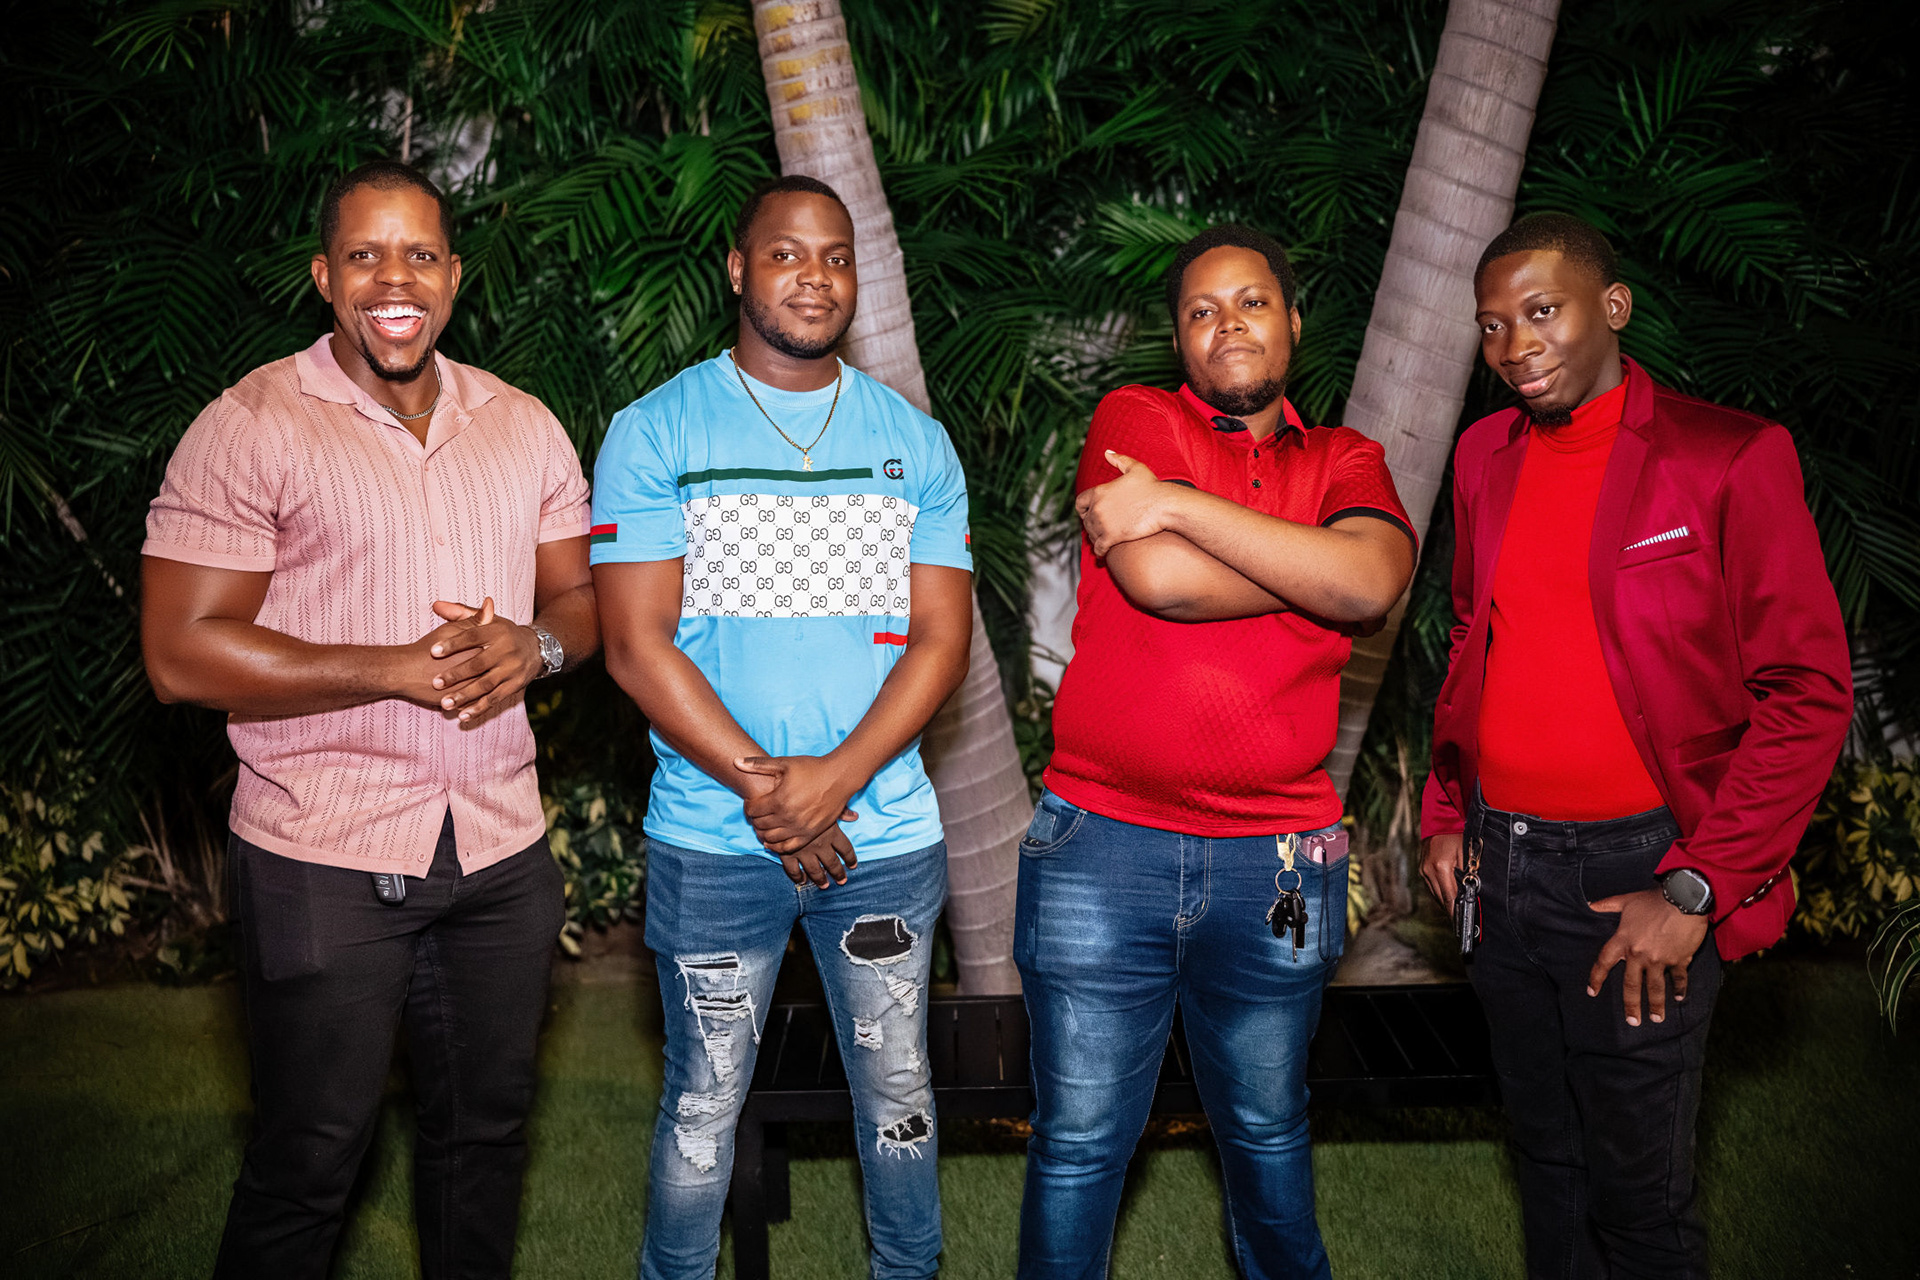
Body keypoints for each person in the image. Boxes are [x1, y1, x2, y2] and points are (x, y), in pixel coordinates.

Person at [141, 159, 596, 1280]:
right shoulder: (251, 424)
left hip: (499, 850)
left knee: (483, 1146)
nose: (395, 280)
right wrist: (392, 669)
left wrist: (533, 647)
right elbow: (179, 651)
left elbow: (582, 603)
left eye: (420, 255)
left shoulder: (524, 425)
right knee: (309, 1162)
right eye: (365, 255)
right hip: (323, 853)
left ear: (455, 276)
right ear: (323, 276)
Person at [1420, 212, 1852, 1279]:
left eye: (1541, 311)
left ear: (1612, 306)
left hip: (1640, 877)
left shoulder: (1727, 457)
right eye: (1492, 325)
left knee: (1638, 1198)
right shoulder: (1482, 456)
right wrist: (1447, 811)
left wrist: (1697, 887)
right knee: (1548, 1163)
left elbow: (1807, 694)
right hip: (1501, 871)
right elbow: (1474, 637)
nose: (1515, 344)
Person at [591, 174, 973, 1280]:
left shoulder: (914, 443)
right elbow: (635, 645)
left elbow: (941, 641)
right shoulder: (656, 430)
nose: (815, 276)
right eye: (787, 253)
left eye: (836, 257)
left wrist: (835, 780)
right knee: (702, 1103)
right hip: (715, 841)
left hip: (883, 838)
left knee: (899, 1094)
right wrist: (774, 790)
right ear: (737, 268)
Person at [1018, 224, 1418, 1280]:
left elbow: (1373, 581)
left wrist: (1176, 504)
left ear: (1294, 321)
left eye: (1250, 301)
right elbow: (1159, 580)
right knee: (1078, 1143)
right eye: (1201, 310)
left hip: (1278, 857)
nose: (1226, 323)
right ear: (1178, 340)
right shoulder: (1137, 416)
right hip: (1104, 842)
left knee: (1270, 1134)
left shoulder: (1346, 458)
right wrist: (1313, 577)